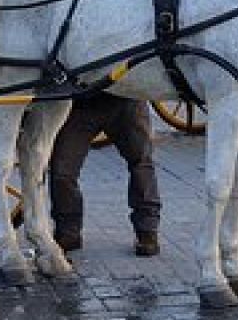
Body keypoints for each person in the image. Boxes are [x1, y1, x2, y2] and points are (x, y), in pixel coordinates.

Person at [49, 91, 162, 256]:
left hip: (126, 99)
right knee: (62, 171)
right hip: (82, 103)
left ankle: (147, 230)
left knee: (141, 162)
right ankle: (68, 231)